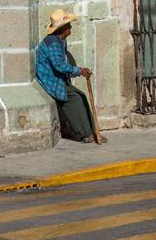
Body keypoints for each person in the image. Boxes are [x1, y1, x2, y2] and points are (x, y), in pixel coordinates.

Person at [35, 9, 107, 144]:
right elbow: (59, 66)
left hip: (59, 78)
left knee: (82, 96)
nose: (71, 28)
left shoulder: (61, 41)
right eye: (68, 26)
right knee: (75, 100)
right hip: (51, 80)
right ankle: (85, 134)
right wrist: (79, 71)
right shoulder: (53, 43)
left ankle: (92, 131)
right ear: (62, 29)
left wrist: (78, 71)